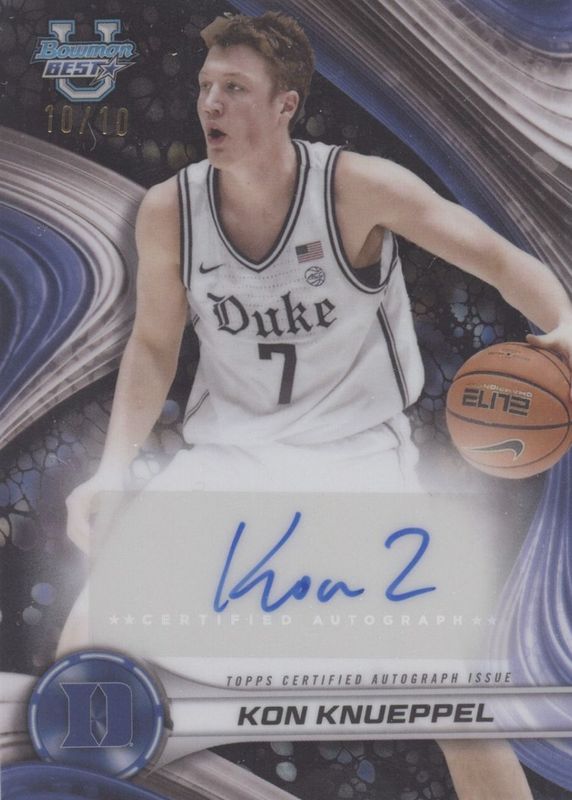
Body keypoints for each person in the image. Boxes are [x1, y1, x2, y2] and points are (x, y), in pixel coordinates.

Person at [65, 12, 572, 800]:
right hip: (228, 464)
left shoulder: (358, 188)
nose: (211, 103)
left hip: (353, 466)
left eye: (235, 88)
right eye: (205, 86)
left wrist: (564, 323)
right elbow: (154, 345)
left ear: (286, 105)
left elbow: (502, 262)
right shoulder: (171, 210)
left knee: (451, 696)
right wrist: (110, 470)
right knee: (84, 658)